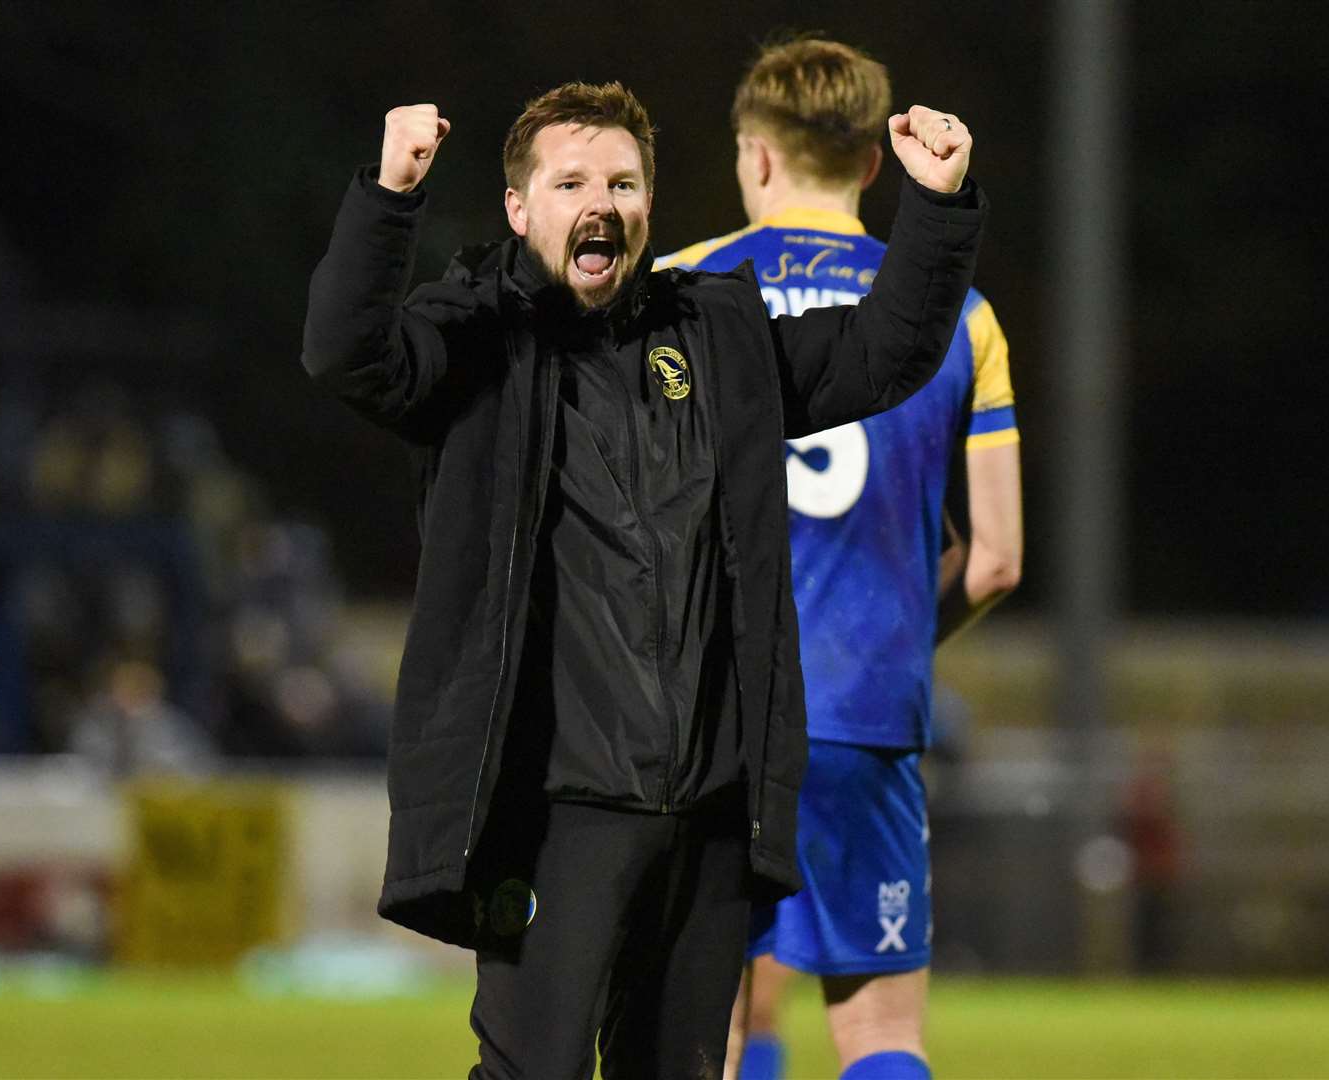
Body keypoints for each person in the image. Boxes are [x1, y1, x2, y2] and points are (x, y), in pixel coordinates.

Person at [301, 79, 987, 1078]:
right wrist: (389, 195)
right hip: (552, 815)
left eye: (623, 183)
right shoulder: (477, 336)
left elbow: (882, 353)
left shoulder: (718, 335)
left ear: (648, 208)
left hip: (708, 812)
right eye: (571, 180)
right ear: (519, 207)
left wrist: (935, 209)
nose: (602, 202)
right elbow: (346, 353)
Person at [657, 39, 1022, 1080]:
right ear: (872, 164)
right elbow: (994, 559)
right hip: (863, 710)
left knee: (706, 1033)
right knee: (881, 1037)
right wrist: (905, 634)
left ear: (755, 157)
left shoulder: (675, 290)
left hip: (704, 720)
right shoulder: (960, 311)